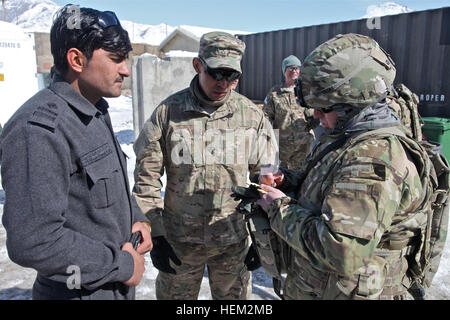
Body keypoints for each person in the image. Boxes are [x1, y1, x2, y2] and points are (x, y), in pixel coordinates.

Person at [257, 33, 430, 300]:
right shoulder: (349, 137)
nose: (315, 116)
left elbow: (340, 251)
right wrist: (288, 180)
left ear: (354, 104)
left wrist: (278, 207)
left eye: (324, 108)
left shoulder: (373, 159)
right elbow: (330, 186)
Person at [0, 5, 152, 300]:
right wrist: (120, 266)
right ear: (77, 59)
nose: (125, 69)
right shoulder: (39, 128)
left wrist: (136, 217)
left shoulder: (94, 110)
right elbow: (34, 240)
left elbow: (106, 187)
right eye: (115, 59)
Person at [133, 31, 277, 300]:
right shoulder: (168, 113)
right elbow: (146, 181)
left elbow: (266, 180)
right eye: (217, 73)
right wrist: (158, 234)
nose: (224, 83)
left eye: (232, 76)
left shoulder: (252, 117)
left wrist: (262, 235)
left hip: (231, 242)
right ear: (198, 66)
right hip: (180, 245)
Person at [262, 55, 314, 169]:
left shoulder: (305, 91)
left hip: (302, 147)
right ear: (284, 71)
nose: (294, 71)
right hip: (282, 149)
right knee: (281, 179)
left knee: (300, 178)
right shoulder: (275, 93)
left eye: (297, 68)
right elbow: (266, 118)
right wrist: (268, 140)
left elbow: (314, 116)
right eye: (290, 68)